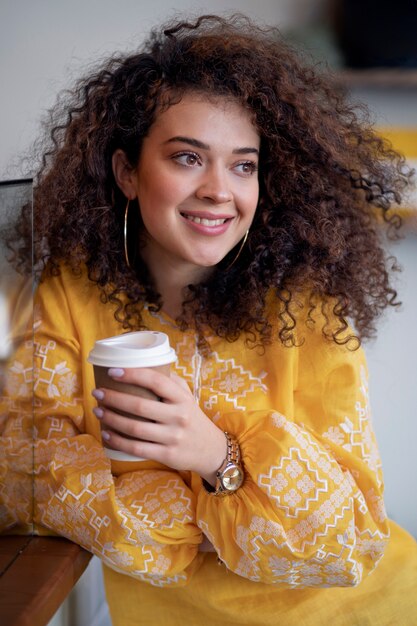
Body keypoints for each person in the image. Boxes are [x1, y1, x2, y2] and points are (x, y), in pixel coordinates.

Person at [3, 13, 417, 626]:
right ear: (126, 172)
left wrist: (214, 457)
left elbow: (351, 538)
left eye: (243, 165)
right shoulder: (71, 294)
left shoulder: (304, 306)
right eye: (187, 157)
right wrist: (234, 497)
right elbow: (23, 469)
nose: (220, 190)